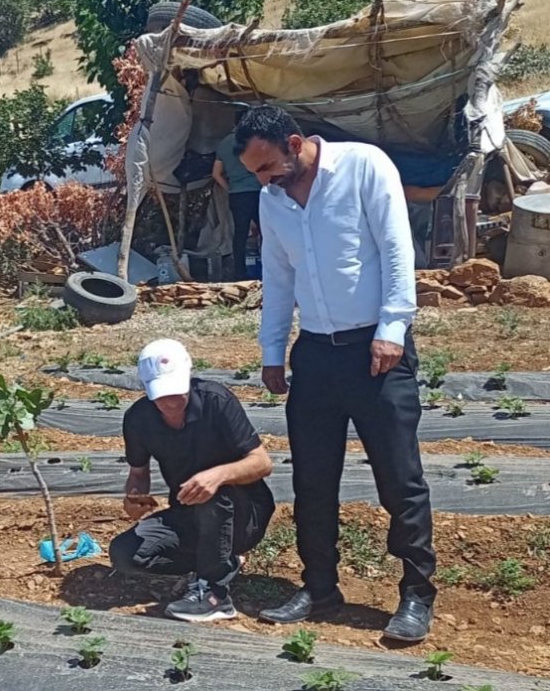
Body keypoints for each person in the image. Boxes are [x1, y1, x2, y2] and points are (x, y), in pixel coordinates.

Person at [236, 104, 436, 642]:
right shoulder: (271, 199)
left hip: (377, 352)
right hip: (317, 355)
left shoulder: (365, 167)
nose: (263, 180)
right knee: (313, 480)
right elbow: (277, 278)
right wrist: (273, 350)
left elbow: (397, 251)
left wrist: (392, 329)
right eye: (255, 172)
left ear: (296, 143)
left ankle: (417, 594)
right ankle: (319, 587)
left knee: (400, 479)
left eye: (267, 167)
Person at [110, 339, 275, 622]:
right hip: (187, 512)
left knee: (210, 493)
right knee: (125, 554)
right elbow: (138, 474)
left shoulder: (217, 401)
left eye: (177, 391)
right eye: (162, 395)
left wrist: (217, 475)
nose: (171, 401)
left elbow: (262, 463)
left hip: (244, 513)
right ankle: (221, 562)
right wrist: (134, 498)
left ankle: (215, 595)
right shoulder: (138, 419)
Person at [213, 119, 262, 280]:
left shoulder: (224, 143)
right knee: (267, 233)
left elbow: (216, 174)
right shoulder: (251, 141)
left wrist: (230, 189)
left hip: (237, 195)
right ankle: (269, 268)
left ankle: (239, 273)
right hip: (257, 192)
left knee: (240, 234)